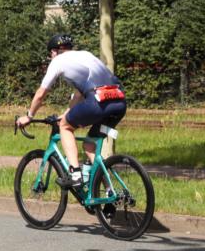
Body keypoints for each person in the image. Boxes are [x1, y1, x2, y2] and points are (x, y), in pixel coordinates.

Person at [16, 34, 127, 188]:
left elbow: (41, 94)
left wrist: (29, 116)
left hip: (98, 102)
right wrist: (67, 113)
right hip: (119, 103)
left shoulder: (58, 61)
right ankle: (110, 191)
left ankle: (75, 174)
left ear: (54, 52)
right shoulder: (85, 55)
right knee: (89, 146)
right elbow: (79, 94)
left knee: (65, 127)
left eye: (51, 54)